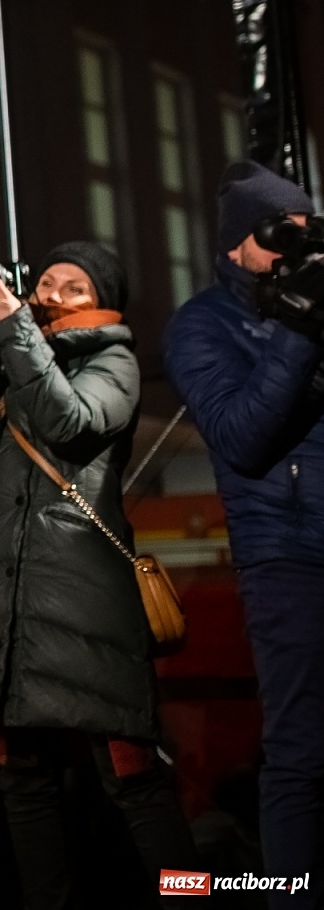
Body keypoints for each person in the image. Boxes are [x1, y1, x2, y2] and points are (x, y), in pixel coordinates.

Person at [0, 243, 197, 909]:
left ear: (102, 301)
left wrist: (14, 329)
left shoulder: (115, 360)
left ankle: (198, 899)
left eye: (72, 286)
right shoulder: (11, 354)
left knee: (134, 782)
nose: (52, 294)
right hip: (8, 606)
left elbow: (69, 421)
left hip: (83, 600)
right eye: (45, 283)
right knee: (24, 785)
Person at [163, 161, 324, 908]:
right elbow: (242, 436)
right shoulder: (201, 324)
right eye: (276, 231)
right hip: (286, 558)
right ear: (235, 246)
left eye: (305, 227)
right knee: (300, 756)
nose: (294, 241)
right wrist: (295, 329)